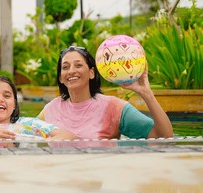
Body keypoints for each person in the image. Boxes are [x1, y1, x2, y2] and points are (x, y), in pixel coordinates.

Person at [38, 46, 174, 139]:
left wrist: (146, 93)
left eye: (78, 65)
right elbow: (24, 135)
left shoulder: (113, 107)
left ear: (91, 73)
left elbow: (165, 137)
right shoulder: (51, 109)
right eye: (65, 67)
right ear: (61, 78)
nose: (71, 71)